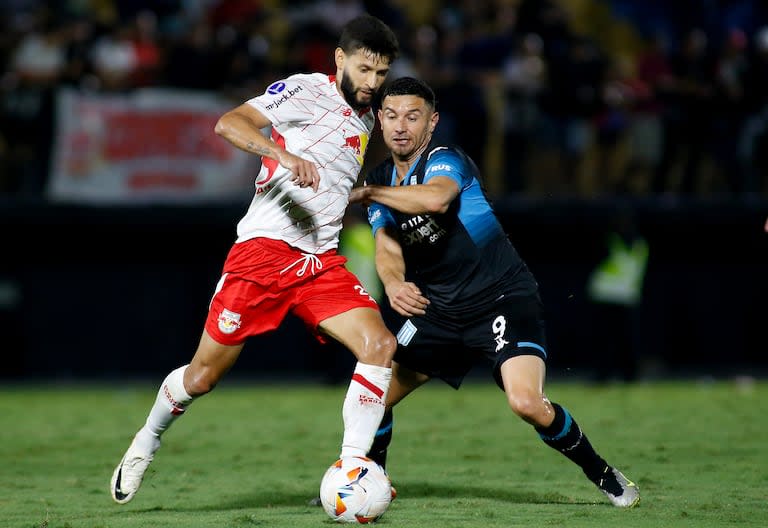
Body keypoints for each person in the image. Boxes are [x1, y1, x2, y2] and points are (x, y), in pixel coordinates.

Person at [110, 14, 400, 505]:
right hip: (263, 254)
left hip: (319, 264)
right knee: (202, 377)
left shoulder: (370, 116)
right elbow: (230, 123)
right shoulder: (306, 90)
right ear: (339, 60)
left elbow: (341, 165)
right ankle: (147, 439)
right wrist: (279, 154)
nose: (372, 82)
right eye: (365, 69)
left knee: (379, 346)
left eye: (381, 73)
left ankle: (353, 467)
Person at [349, 76, 640, 507]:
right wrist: (392, 282)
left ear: (432, 123)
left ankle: (603, 473)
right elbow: (387, 245)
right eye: (390, 116)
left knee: (526, 403)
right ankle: (367, 482)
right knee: (371, 393)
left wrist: (370, 192)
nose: (400, 126)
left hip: (500, 298)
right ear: (379, 120)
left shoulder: (445, 159)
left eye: (413, 116)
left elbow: (435, 200)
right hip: (439, 310)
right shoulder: (381, 178)